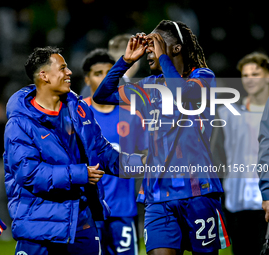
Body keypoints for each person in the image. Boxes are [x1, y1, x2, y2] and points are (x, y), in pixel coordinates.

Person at [93, 20, 230, 255]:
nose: (149, 52)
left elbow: (184, 96)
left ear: (176, 48)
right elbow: (102, 94)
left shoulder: (203, 77)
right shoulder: (148, 86)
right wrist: (125, 62)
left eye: (155, 45)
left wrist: (163, 57)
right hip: (157, 196)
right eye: (148, 48)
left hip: (199, 193)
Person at [3, 46, 141, 255]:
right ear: (44, 76)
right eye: (63, 68)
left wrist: (139, 164)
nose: (69, 73)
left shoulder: (78, 109)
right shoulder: (20, 122)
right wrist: (80, 173)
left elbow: (101, 151)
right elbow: (28, 173)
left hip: (81, 221)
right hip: (39, 227)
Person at [82, 48, 147, 255]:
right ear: (86, 79)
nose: (102, 78)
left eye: (107, 73)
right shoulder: (78, 114)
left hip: (123, 209)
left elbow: (147, 156)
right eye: (97, 73)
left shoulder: (132, 114)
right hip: (90, 211)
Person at [211, 52, 269, 255]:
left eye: (256, 73)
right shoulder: (229, 114)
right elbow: (217, 155)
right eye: (245, 75)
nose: (250, 79)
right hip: (237, 201)